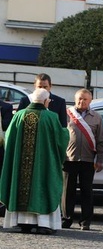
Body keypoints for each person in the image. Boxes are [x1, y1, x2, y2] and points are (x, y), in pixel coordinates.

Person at [1, 88, 69, 234]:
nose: (49, 102)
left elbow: (8, 138)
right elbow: (61, 139)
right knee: (43, 185)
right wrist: (66, 133)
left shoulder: (18, 115)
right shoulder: (51, 117)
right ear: (45, 101)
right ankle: (43, 223)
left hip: (20, 165)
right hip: (43, 164)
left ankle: (22, 222)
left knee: (20, 184)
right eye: (49, 100)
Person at [62, 88, 103, 230]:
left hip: (88, 160)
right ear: (75, 99)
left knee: (87, 191)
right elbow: (60, 136)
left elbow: (101, 140)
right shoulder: (67, 114)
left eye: (85, 99)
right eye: (80, 98)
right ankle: (66, 219)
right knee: (68, 191)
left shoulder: (97, 117)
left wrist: (100, 159)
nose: (82, 101)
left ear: (90, 101)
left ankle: (85, 221)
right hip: (70, 159)